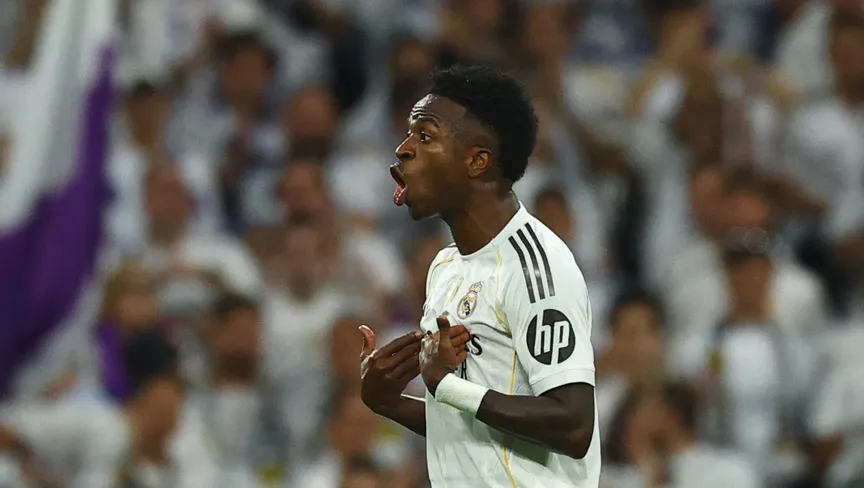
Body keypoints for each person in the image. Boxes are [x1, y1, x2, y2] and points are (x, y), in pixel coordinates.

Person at [359, 64, 599, 487]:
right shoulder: (445, 267)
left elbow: (573, 425)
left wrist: (446, 386)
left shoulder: (536, 266)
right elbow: (468, 429)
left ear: (477, 161)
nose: (403, 149)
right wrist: (388, 403)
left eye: (424, 136)